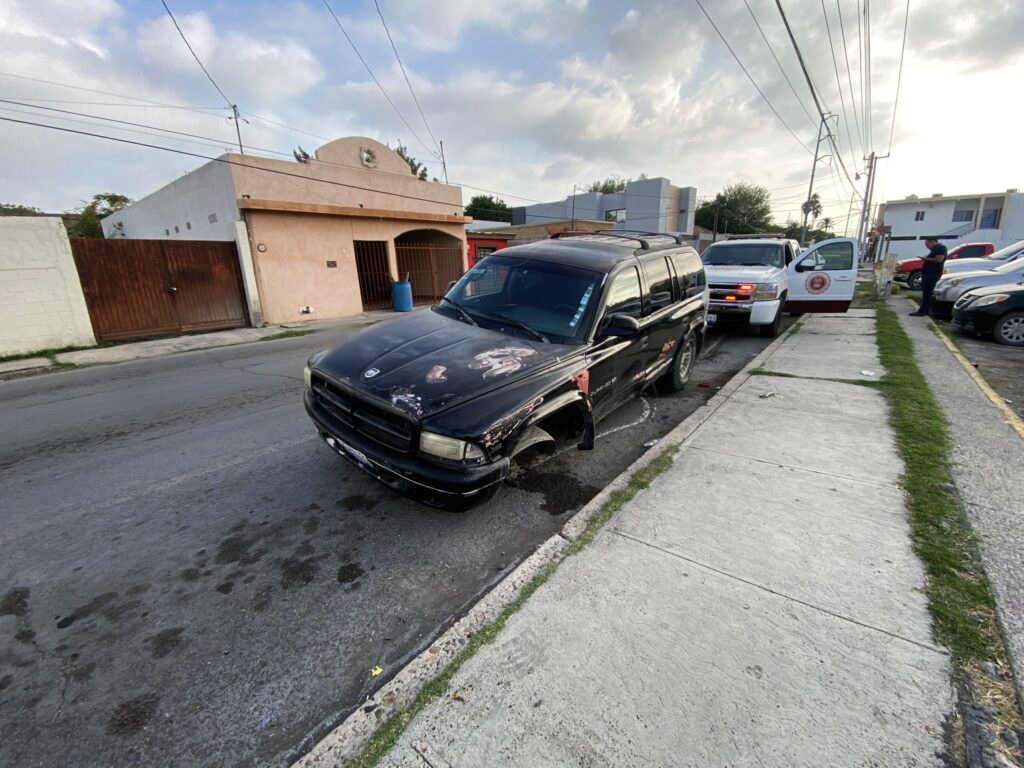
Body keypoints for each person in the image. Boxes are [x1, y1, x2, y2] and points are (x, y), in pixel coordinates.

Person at [910, 237, 947, 316]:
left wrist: (926, 258)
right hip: (928, 273)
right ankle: (926, 310)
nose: (927, 246)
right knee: (926, 292)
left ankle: (922, 311)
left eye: (927, 244)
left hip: (932, 274)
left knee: (928, 293)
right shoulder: (935, 249)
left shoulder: (941, 248)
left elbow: (939, 259)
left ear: (933, 241)